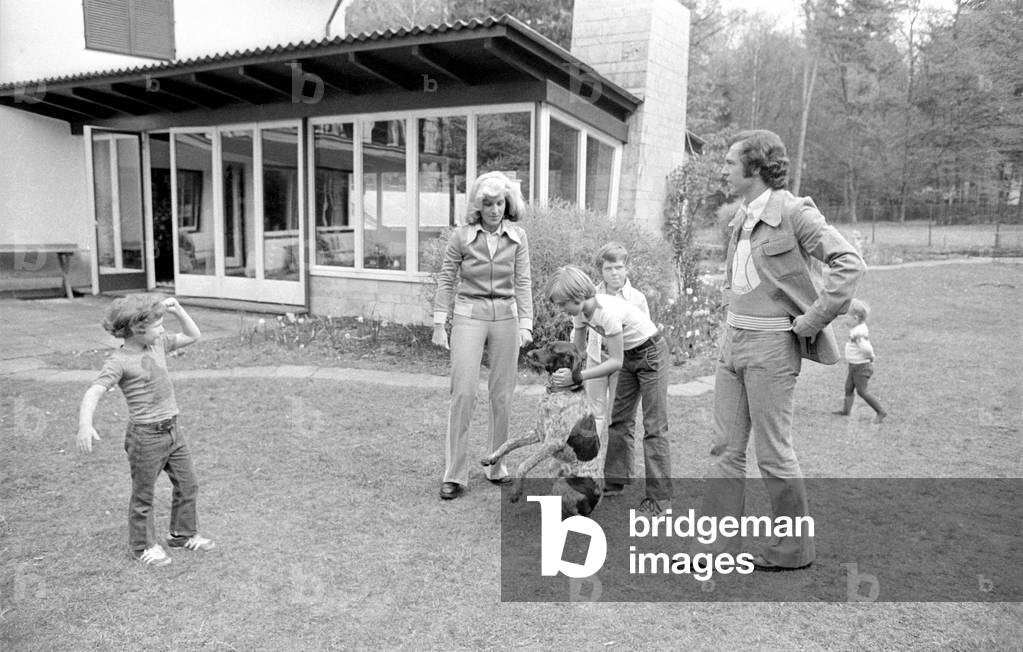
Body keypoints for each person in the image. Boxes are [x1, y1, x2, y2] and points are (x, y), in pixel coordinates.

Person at [698, 129, 865, 571]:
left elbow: (848, 262)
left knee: (772, 452)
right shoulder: (741, 216)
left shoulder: (793, 212)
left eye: (731, 162)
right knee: (724, 449)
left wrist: (812, 320)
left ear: (754, 167)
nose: (724, 168)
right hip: (731, 344)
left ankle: (793, 549)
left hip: (772, 348)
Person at [77, 294, 212, 566]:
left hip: (173, 430)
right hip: (146, 437)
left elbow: (193, 335)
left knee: (188, 484)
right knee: (144, 494)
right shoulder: (119, 361)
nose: (162, 329)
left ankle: (182, 534)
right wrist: (85, 424)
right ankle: (142, 547)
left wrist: (179, 311)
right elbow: (95, 390)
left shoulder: (157, 344)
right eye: (157, 325)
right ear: (137, 329)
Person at [432, 171, 533, 500]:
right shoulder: (461, 237)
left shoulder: (517, 237)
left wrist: (526, 323)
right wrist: (438, 322)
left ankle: (496, 465)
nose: (494, 209)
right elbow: (447, 279)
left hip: (505, 316)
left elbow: (523, 282)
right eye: (487, 203)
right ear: (478, 206)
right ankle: (454, 475)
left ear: (507, 204)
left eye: (499, 202)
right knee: (463, 393)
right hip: (468, 314)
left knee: (502, 395)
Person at [548, 265, 672, 517]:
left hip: (651, 354)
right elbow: (578, 351)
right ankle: (616, 479)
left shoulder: (606, 313)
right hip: (630, 355)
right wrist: (568, 374)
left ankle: (660, 499)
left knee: (654, 426)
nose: (562, 310)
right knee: (619, 419)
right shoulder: (581, 313)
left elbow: (614, 362)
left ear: (576, 297)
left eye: (563, 305)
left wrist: (579, 376)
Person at [585, 243, 650, 463]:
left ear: (627, 268)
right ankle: (590, 461)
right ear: (600, 271)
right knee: (594, 412)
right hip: (596, 359)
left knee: (618, 415)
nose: (614, 273)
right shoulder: (591, 294)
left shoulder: (637, 299)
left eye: (619, 267)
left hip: (623, 365)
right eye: (608, 268)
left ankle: (614, 469)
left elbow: (645, 335)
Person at [833, 298, 887, 424]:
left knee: (862, 391)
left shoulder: (858, 333)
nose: (845, 320)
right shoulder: (858, 328)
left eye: (847, 317)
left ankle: (880, 411)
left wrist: (871, 356)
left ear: (855, 318)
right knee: (848, 387)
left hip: (861, 367)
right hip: (854, 366)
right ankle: (846, 410)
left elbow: (866, 348)